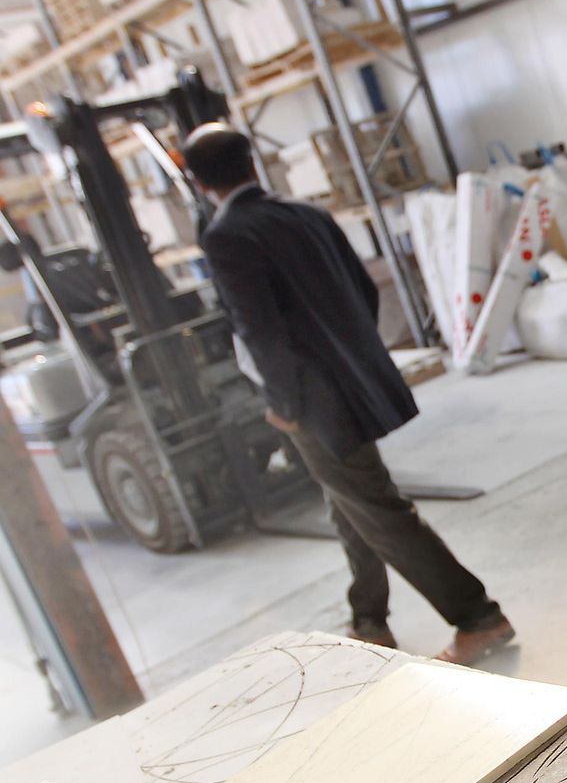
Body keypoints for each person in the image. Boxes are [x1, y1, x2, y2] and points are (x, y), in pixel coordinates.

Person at [181, 123, 515, 665]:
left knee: (377, 508)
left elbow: (259, 329)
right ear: (253, 162)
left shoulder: (226, 236)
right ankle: (370, 618)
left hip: (313, 399)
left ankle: (478, 616)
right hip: (353, 379)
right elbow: (363, 290)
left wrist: (284, 405)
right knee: (351, 498)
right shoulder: (306, 214)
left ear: (197, 181)